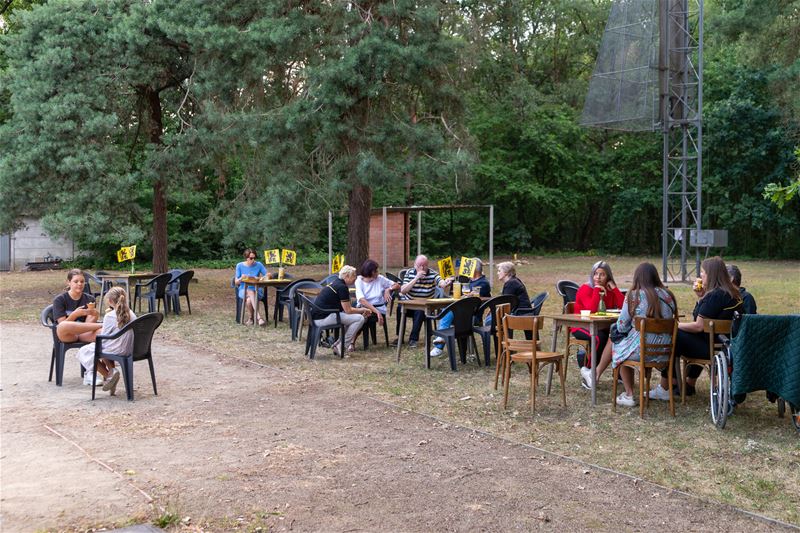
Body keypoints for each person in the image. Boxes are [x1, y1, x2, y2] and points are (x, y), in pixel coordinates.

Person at [649, 256, 743, 401]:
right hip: (726, 346)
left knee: (674, 335)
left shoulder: (715, 296)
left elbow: (698, 326)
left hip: (712, 348)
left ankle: (667, 386)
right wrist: (701, 297)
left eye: (703, 273)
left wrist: (674, 325)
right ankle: (686, 383)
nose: (700, 276)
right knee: (683, 335)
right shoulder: (733, 294)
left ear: (711, 275)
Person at [595, 262, 678, 407]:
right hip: (665, 351)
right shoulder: (668, 295)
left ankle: (629, 394)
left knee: (619, 347)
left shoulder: (634, 296)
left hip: (641, 350)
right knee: (624, 345)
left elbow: (621, 326)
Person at [74, 287, 136, 394]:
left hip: (117, 350)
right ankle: (111, 375)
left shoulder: (110, 316)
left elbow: (104, 338)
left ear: (110, 301)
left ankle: (109, 376)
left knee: (85, 351)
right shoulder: (132, 314)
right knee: (100, 348)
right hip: (131, 349)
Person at [574, 260, 625, 386]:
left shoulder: (609, 289)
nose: (598, 277)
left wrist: (614, 288)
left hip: (602, 325)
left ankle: (619, 374)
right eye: (596, 274)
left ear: (608, 276)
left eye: (602, 274)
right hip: (581, 325)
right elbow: (591, 311)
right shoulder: (585, 288)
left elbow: (623, 307)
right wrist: (597, 290)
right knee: (598, 338)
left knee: (620, 335)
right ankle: (589, 372)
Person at [430, 259, 491, 357]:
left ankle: (440, 342)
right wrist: (449, 283)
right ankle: (440, 339)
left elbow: (473, 300)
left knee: (448, 310)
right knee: (448, 310)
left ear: (474, 269)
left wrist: (466, 296)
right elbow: (453, 296)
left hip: (472, 316)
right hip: (462, 313)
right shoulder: (469, 282)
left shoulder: (482, 283)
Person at [395, 255, 453, 349]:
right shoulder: (409, 273)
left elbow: (442, 284)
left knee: (420, 311)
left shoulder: (433, 274)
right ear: (415, 265)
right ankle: (399, 337)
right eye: (419, 265)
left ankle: (413, 339)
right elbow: (403, 290)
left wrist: (446, 282)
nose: (422, 268)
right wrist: (416, 278)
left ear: (427, 265)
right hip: (410, 304)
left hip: (424, 306)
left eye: (424, 265)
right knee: (399, 308)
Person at [312, 265, 370, 355]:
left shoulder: (335, 282)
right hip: (323, 318)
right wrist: (363, 310)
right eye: (354, 275)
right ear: (347, 276)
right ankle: (341, 346)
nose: (355, 278)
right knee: (360, 319)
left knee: (353, 319)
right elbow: (348, 310)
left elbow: (346, 309)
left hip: (318, 317)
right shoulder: (342, 287)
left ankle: (338, 344)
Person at [54, 269, 102, 350]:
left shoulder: (90, 299)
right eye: (76, 282)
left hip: (84, 334)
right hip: (68, 335)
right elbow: (62, 325)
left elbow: (88, 324)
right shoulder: (59, 300)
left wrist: (95, 315)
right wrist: (75, 314)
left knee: (104, 332)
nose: (79, 284)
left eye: (82, 281)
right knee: (63, 325)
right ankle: (103, 324)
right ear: (68, 282)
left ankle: (101, 362)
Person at [355, 259, 400, 330]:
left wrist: (388, 289)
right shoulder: (359, 280)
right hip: (365, 308)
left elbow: (397, 285)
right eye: (375, 271)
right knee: (354, 317)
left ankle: (350, 340)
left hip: (378, 307)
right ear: (370, 272)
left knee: (360, 318)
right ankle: (350, 339)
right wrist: (376, 312)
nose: (378, 273)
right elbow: (362, 300)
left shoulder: (380, 279)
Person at [235, 248, 268, 326]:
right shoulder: (239, 265)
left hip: (257, 289)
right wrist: (241, 278)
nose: (253, 260)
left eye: (254, 258)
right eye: (251, 258)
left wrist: (260, 278)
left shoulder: (259, 264)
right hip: (243, 289)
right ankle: (259, 317)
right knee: (249, 291)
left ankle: (251, 319)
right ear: (246, 257)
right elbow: (236, 282)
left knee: (249, 300)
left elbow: (268, 275)